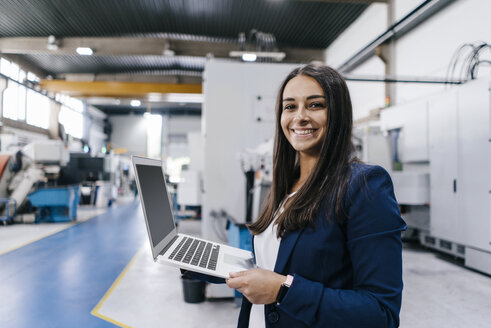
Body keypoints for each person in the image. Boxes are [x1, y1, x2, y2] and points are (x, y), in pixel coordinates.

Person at [188, 64, 406, 327]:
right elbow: (276, 262)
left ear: (338, 113)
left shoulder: (365, 185)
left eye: (315, 105)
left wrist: (283, 290)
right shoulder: (286, 183)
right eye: (290, 106)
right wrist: (200, 260)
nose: (299, 117)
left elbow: (381, 313)